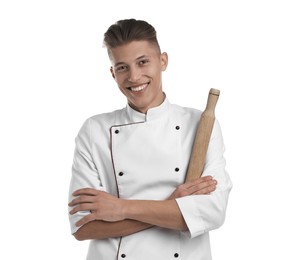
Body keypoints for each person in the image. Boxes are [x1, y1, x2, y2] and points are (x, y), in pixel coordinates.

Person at [68, 18, 232, 260]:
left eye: (143, 62)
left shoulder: (200, 125)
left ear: (163, 61)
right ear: (113, 73)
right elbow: (84, 228)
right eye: (122, 67)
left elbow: (212, 213)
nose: (134, 77)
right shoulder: (95, 130)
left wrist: (121, 208)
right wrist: (174, 206)